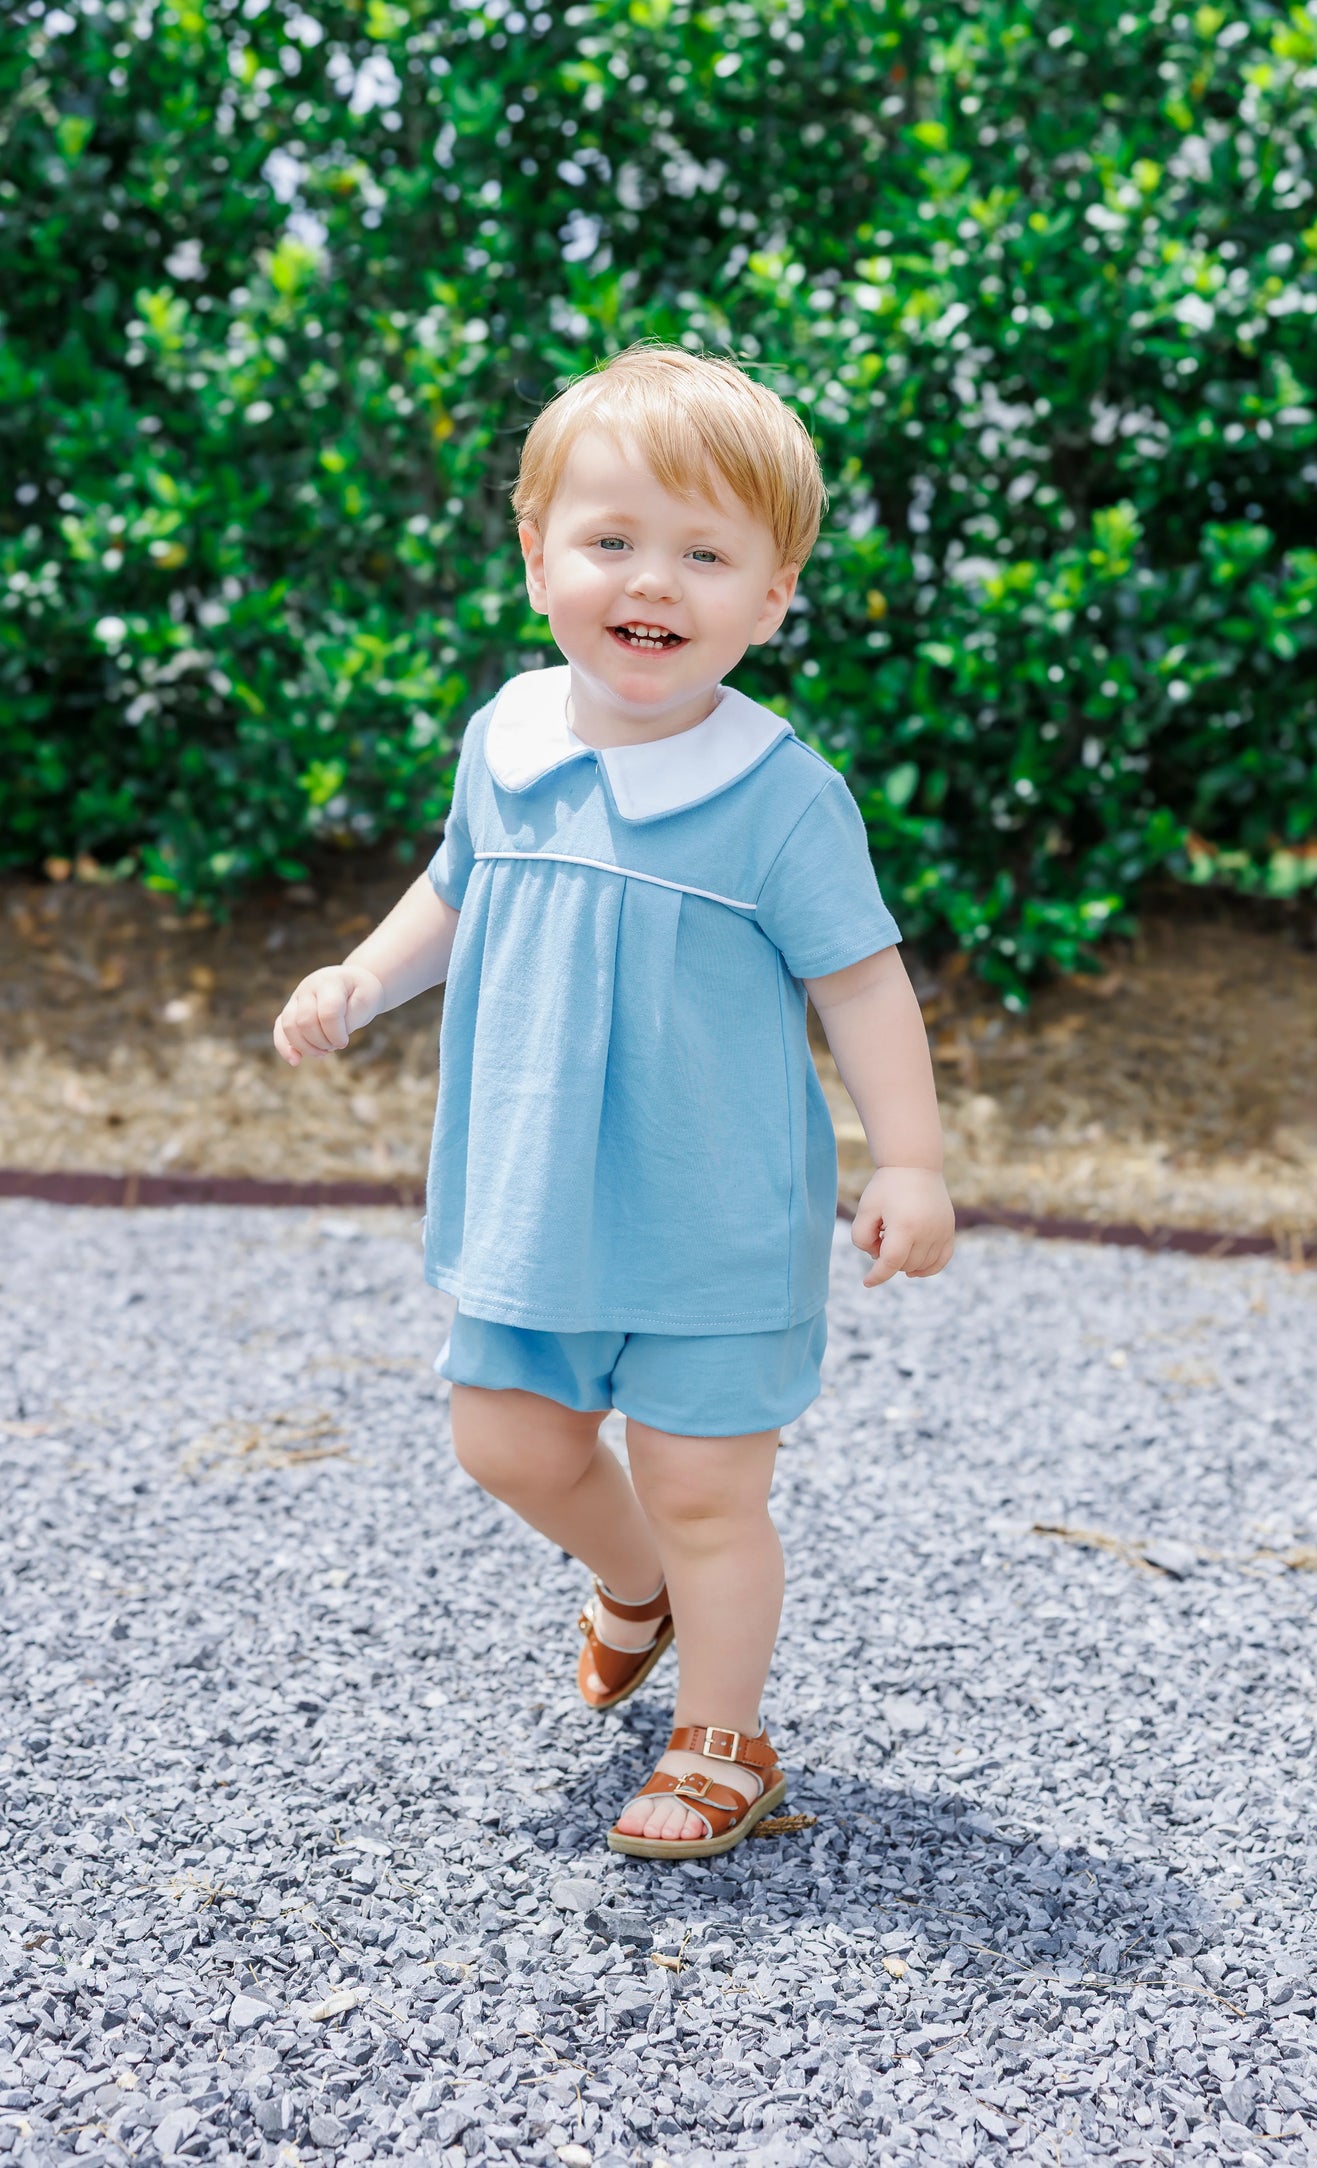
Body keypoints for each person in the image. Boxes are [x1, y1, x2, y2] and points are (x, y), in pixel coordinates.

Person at [273, 345, 955, 1860]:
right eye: (613, 541)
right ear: (537, 556)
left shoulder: (777, 793)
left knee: (707, 1486)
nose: (654, 581)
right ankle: (632, 1588)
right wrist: (358, 980)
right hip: (532, 1195)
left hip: (711, 1212)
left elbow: (859, 981)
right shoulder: (508, 739)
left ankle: (724, 1736)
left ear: (772, 598)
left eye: (706, 555)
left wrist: (906, 1159)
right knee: (507, 1443)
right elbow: (454, 892)